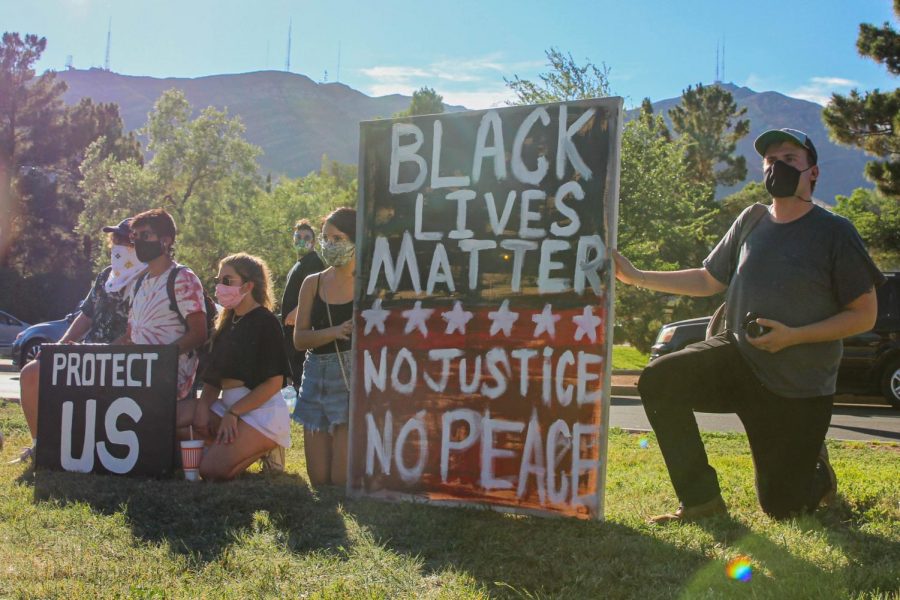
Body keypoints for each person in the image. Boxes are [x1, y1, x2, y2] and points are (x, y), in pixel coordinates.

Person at [613, 128, 884, 523]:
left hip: (798, 386)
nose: (777, 167)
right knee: (659, 379)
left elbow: (864, 315)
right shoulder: (751, 219)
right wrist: (636, 276)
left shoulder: (835, 232)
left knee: (783, 508)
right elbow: (708, 280)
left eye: (789, 159)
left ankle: (815, 470)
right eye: (771, 161)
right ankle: (701, 501)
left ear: (813, 172)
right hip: (738, 359)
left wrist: (794, 337)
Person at [16, 218, 146, 461]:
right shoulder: (106, 276)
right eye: (115, 239)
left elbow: (134, 334)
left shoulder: (149, 279)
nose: (117, 244)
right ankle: (41, 445)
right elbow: (86, 316)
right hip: (87, 357)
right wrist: (59, 346)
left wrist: (101, 353)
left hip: (122, 363)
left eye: (124, 240)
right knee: (32, 372)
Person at [177, 253, 292, 481]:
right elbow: (213, 378)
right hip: (228, 408)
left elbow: (274, 383)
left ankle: (267, 446)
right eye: (219, 280)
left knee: (211, 471)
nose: (220, 286)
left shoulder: (265, 321)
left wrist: (234, 412)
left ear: (248, 286)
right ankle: (226, 447)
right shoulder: (226, 321)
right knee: (176, 418)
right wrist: (202, 408)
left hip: (259, 412)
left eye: (227, 281)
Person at [117, 208, 207, 410]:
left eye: (145, 235)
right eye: (135, 236)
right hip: (137, 379)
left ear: (166, 240)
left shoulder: (183, 278)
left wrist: (160, 358)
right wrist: (90, 353)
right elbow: (130, 337)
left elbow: (199, 333)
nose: (138, 241)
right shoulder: (139, 283)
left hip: (170, 383)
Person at [293, 207, 355, 486]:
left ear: (355, 240)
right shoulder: (312, 283)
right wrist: (336, 331)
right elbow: (300, 339)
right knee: (319, 480)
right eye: (326, 238)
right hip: (316, 374)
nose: (330, 245)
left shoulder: (370, 284)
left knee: (340, 480)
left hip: (351, 376)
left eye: (338, 238)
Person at [281, 219, 324, 395]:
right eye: (298, 236)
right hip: (290, 331)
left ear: (313, 242)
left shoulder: (313, 261)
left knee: (302, 375)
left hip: (302, 328)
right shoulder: (299, 264)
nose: (302, 240)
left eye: (306, 237)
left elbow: (317, 291)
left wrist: (297, 313)